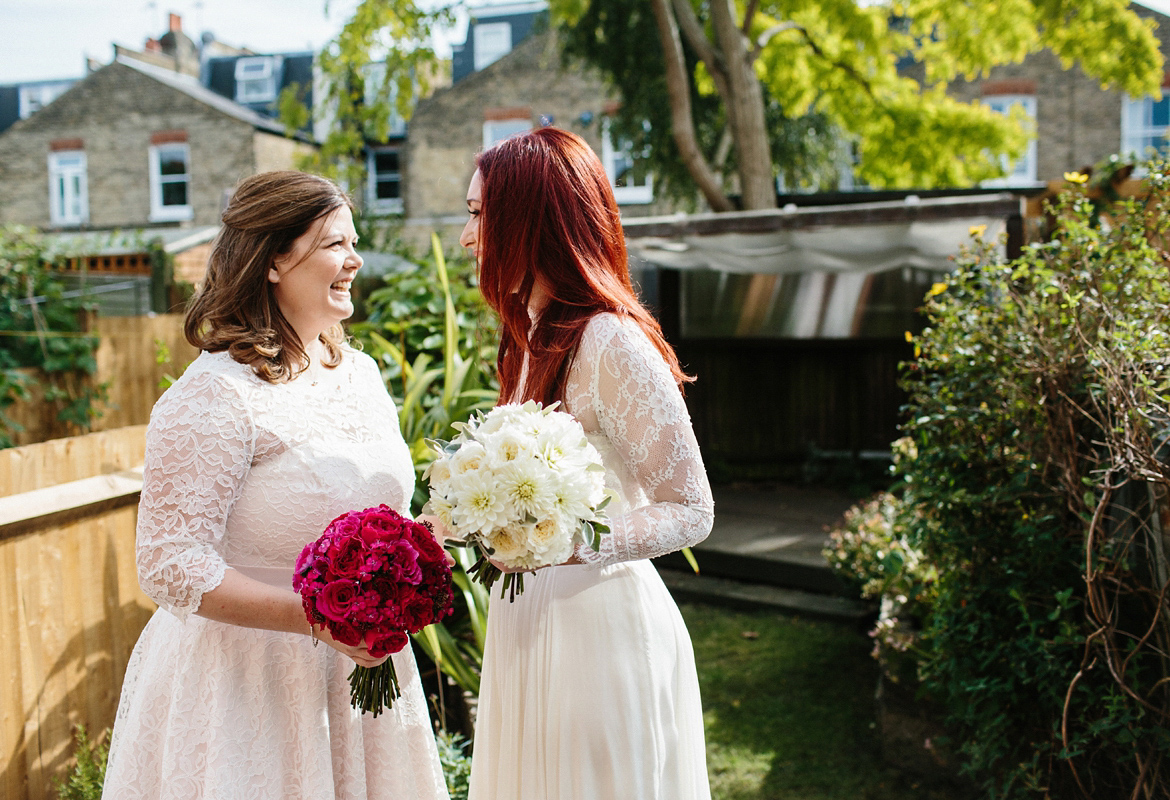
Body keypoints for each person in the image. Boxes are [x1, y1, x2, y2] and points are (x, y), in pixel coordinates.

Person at [102, 171, 450, 800]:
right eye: (335, 244)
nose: (355, 259)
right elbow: (168, 564)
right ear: (274, 261)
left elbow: (386, 519)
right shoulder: (215, 395)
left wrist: (436, 542)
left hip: (362, 682)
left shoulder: (362, 375)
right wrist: (319, 620)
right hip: (247, 689)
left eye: (354, 241)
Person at [456, 127, 714, 799]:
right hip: (530, 626)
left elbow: (693, 510)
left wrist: (566, 544)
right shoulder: (527, 338)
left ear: (529, 220)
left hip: (600, 639)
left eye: (480, 214)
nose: (466, 237)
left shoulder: (610, 342)